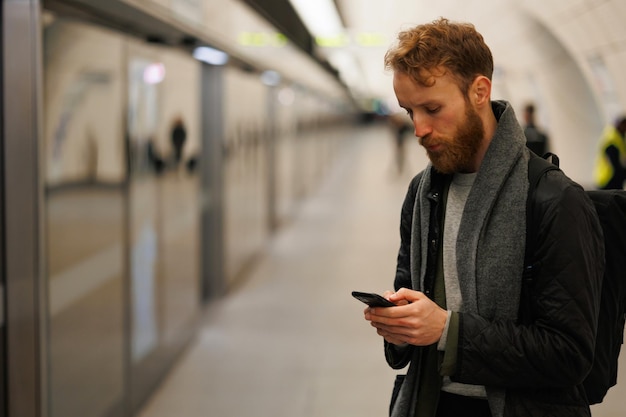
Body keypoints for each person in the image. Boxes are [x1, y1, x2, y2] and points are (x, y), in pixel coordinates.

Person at [361, 18, 604, 417]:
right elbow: (411, 295)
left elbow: (570, 353)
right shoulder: (424, 194)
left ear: (479, 91)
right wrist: (401, 326)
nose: (419, 129)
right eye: (409, 112)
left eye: (433, 109)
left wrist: (446, 330)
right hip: (430, 403)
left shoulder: (554, 200)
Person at [593, 115, 626, 189]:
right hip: (607, 180)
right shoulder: (612, 141)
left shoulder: (619, 139)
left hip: (611, 180)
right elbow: (616, 166)